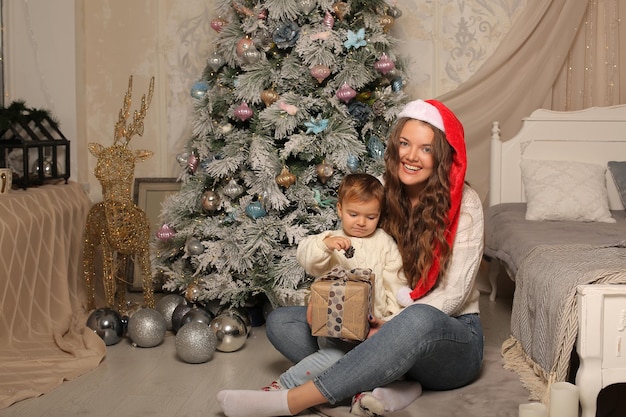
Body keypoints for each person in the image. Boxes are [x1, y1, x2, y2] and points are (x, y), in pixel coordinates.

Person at [217, 99, 485, 417]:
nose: (412, 156)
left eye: (425, 149)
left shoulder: (466, 204)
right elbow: (346, 256)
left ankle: (290, 400)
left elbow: (453, 295)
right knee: (282, 322)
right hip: (377, 319)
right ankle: (395, 382)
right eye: (404, 144)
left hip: (450, 335)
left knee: (418, 319)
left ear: (440, 156)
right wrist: (326, 298)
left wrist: (390, 329)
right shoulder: (381, 191)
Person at [269, 173, 411, 392]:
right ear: (339, 210)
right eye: (353, 214)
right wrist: (325, 245)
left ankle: (358, 387)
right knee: (334, 354)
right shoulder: (331, 238)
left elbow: (396, 284)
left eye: (370, 217)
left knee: (357, 360)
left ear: (380, 215)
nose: (361, 222)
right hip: (333, 328)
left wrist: (389, 323)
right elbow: (307, 259)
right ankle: (286, 385)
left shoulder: (384, 242)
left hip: (371, 331)